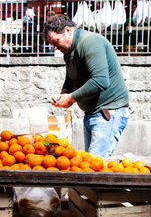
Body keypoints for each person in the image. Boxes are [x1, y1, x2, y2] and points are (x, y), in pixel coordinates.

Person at [43, 14, 129, 158]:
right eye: (52, 44)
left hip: (108, 112)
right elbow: (70, 78)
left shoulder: (90, 42)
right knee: (90, 164)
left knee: (96, 165)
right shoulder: (69, 51)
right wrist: (64, 92)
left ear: (68, 31)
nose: (56, 47)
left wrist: (70, 98)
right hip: (92, 113)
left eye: (56, 41)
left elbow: (101, 81)